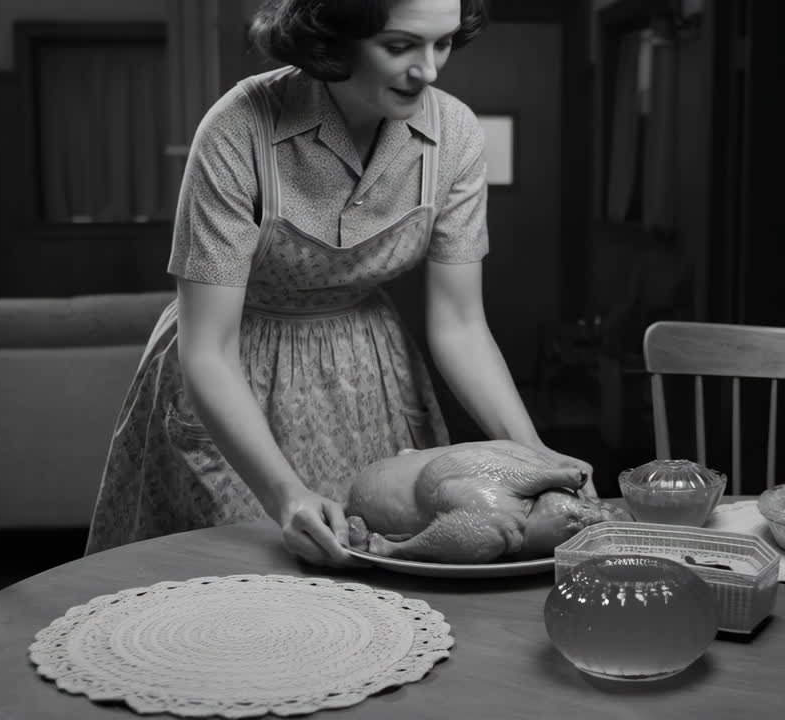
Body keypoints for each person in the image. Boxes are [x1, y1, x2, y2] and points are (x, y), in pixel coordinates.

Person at [84, 0, 594, 566]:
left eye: (443, 43)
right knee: (242, 600)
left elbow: (461, 326)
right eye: (400, 46)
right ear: (334, 37)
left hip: (369, 375)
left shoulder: (455, 136)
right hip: (233, 376)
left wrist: (533, 453)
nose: (429, 69)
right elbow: (207, 350)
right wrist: (285, 493)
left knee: (383, 593)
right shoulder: (239, 128)